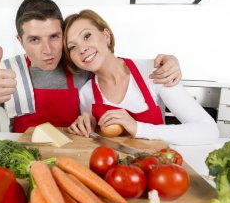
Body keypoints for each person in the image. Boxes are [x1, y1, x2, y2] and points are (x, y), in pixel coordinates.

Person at [0, 0, 183, 133]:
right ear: (20, 41)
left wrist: (167, 63)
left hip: (77, 161)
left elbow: (116, 66)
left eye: (54, 37)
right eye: (34, 40)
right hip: (24, 162)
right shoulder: (8, 74)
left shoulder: (83, 65)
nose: (48, 50)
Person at [63, 9, 219, 145]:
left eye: (87, 36)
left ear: (106, 35)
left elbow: (208, 130)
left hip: (158, 169)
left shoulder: (155, 72)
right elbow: (94, 142)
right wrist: (89, 127)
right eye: (72, 47)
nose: (82, 49)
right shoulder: (86, 94)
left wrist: (138, 128)